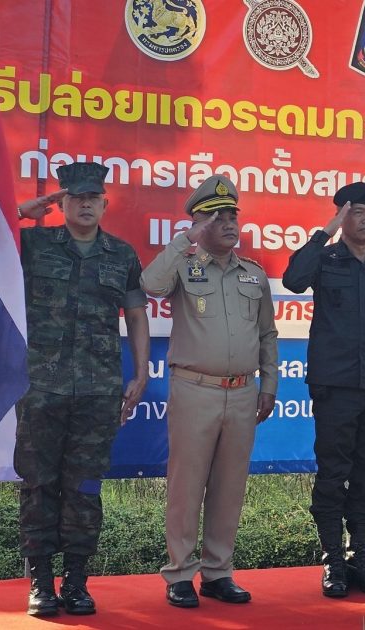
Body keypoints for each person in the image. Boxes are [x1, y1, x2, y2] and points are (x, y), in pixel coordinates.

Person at [14, 162, 151, 615]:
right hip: (40, 387)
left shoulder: (121, 254)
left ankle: (75, 582)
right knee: (39, 485)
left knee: (85, 487)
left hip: (98, 390)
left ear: (105, 204)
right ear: (63, 203)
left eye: (94, 198)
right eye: (77, 197)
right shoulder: (33, 243)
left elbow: (136, 314)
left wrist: (141, 373)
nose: (86, 204)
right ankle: (40, 583)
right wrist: (20, 213)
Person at [141, 175, 278, 609]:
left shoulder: (253, 274)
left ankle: (218, 572)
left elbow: (267, 334)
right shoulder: (184, 264)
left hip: (242, 392)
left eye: (233, 215)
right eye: (217, 217)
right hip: (194, 388)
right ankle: (180, 573)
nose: (229, 223)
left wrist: (269, 383)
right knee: (187, 485)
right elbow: (150, 284)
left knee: (229, 486)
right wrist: (187, 239)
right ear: (199, 222)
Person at [283, 182, 365, 599]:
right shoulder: (325, 259)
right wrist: (325, 232)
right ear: (342, 216)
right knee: (333, 474)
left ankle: (361, 561)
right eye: (359, 212)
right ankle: (333, 562)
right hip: (335, 386)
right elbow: (293, 280)